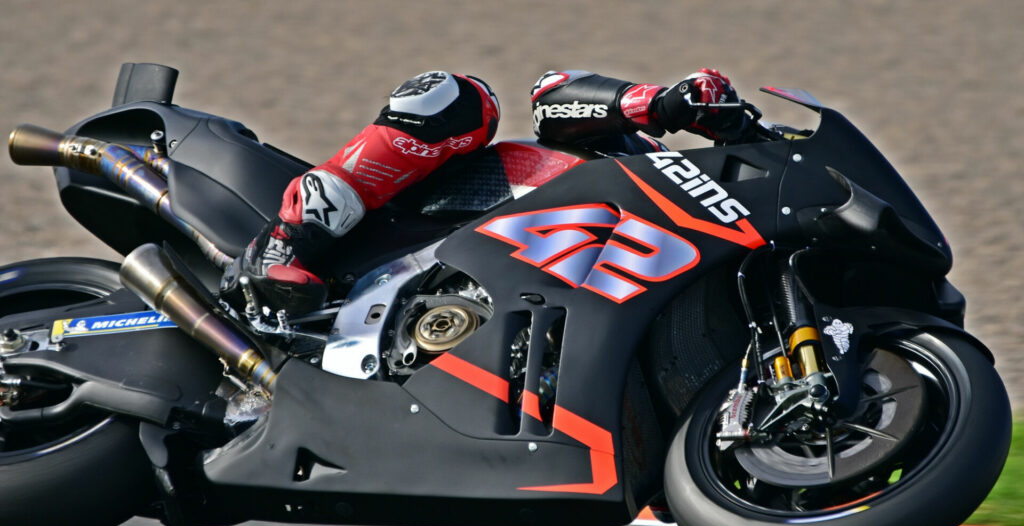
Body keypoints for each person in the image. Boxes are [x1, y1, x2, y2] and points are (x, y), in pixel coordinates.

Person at [221, 68, 747, 314]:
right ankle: (285, 241)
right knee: (464, 98)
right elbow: (551, 94)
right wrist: (661, 104)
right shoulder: (643, 150)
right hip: (447, 216)